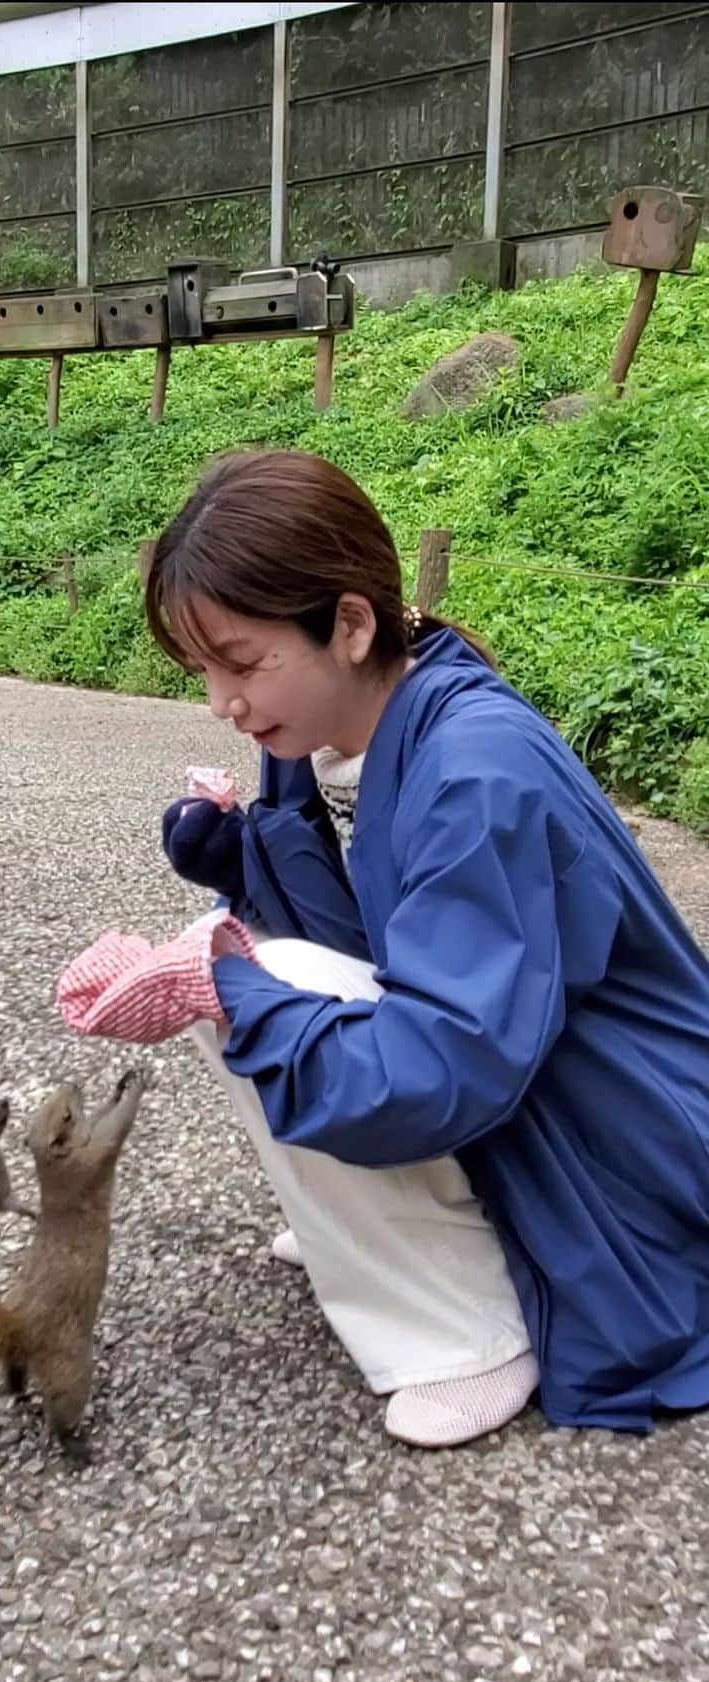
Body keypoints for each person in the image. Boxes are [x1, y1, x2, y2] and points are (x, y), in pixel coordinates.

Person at [57, 449, 709, 1447]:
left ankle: (465, 1332)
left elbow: (438, 1065)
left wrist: (227, 977)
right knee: (237, 968)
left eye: (242, 661)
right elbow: (380, 939)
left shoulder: (476, 770)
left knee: (247, 980)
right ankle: (378, 1243)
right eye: (204, 672)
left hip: (633, 1145)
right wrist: (238, 866)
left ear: (351, 624)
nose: (224, 703)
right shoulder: (332, 735)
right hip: (544, 1085)